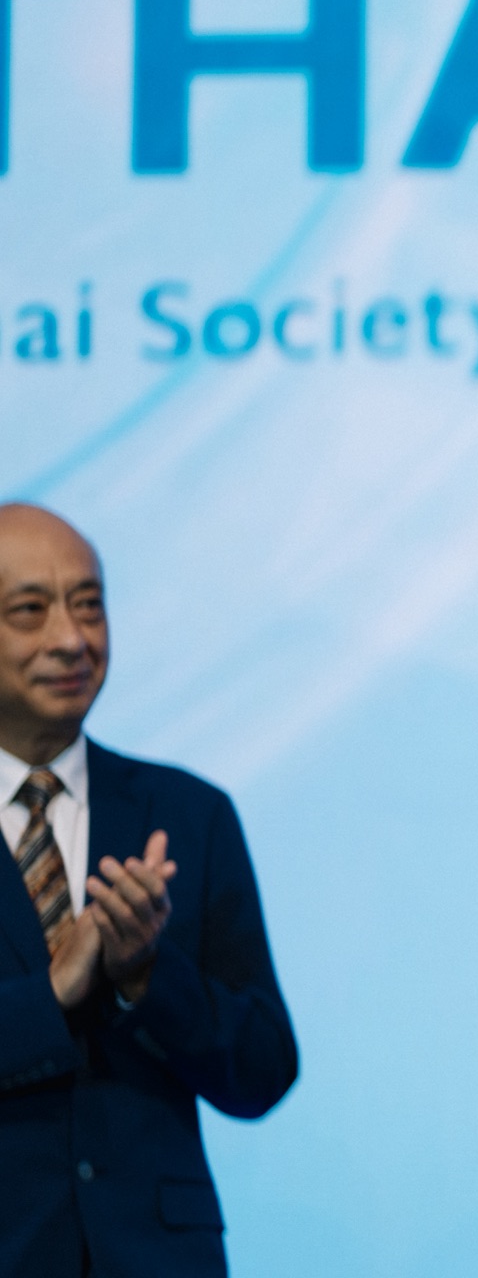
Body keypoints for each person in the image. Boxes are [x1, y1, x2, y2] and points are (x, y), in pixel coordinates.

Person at [0, 502, 297, 1278]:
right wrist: (51, 995)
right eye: (30, 611)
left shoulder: (188, 814)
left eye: (89, 605)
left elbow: (263, 1068)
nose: (73, 639)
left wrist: (146, 976)